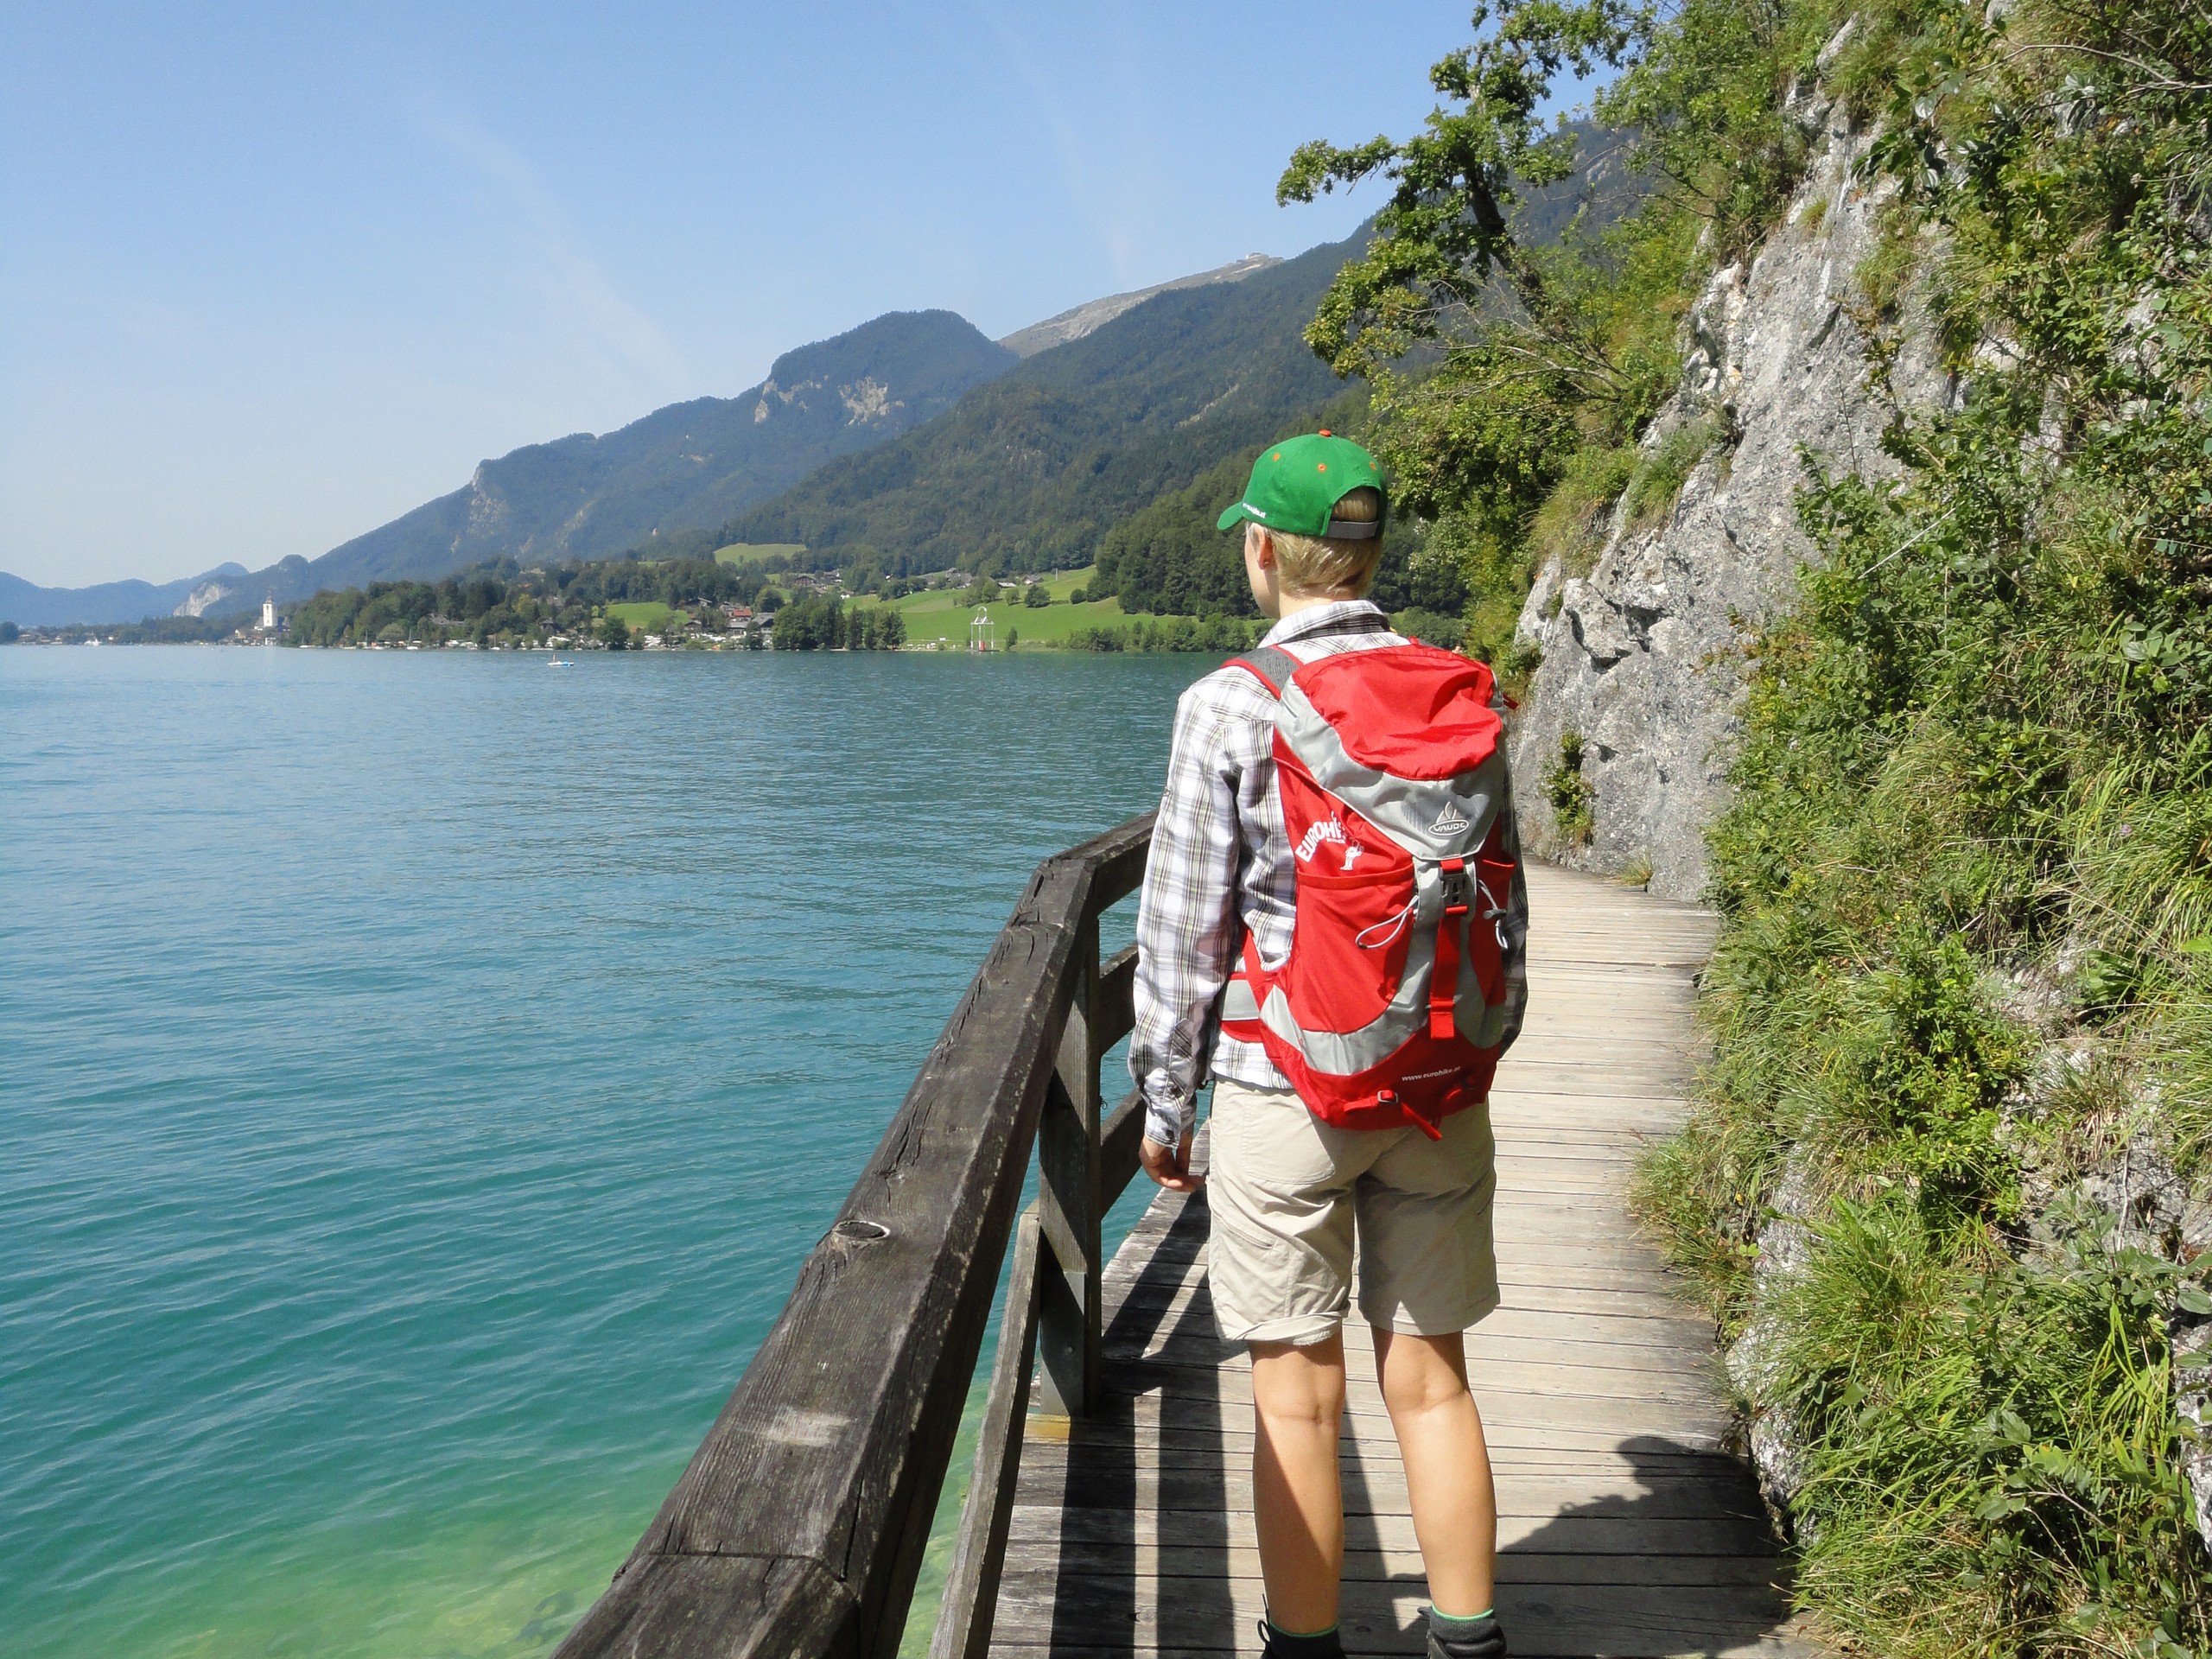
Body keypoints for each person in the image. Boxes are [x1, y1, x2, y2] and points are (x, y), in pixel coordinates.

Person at [1129, 431, 1519, 1659]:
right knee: (1434, 1379)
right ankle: (1469, 1643)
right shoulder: (1461, 686)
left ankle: (1304, 1651)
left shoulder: (1231, 704)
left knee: (1297, 1399)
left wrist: (1163, 1102)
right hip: (1437, 1079)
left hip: (1282, 1085)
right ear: (1373, 549)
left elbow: (1183, 928)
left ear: (1263, 550)